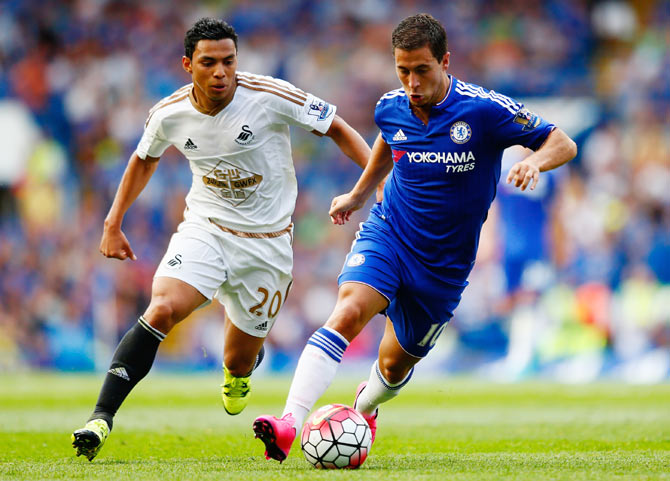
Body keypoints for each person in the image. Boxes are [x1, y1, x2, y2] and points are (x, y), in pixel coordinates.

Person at [253, 13, 577, 462]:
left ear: (445, 61)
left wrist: (534, 163)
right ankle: (288, 422)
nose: (411, 82)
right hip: (391, 233)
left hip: (444, 266)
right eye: (402, 71)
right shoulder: (390, 106)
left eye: (421, 70)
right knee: (347, 311)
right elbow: (390, 142)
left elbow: (562, 141)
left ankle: (364, 408)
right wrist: (358, 193)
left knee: (392, 366)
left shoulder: (482, 110)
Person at [71, 17, 372, 461]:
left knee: (237, 360)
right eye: (208, 63)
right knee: (162, 308)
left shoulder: (269, 96)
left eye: (228, 61)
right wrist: (112, 223)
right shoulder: (168, 113)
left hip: (267, 246)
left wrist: (373, 184)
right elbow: (143, 161)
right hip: (206, 230)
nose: (221, 72)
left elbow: (338, 128)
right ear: (187, 65)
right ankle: (101, 417)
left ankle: (242, 370)